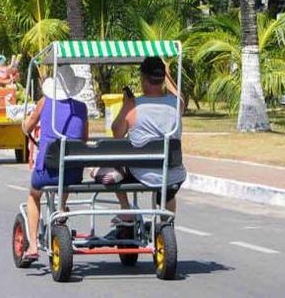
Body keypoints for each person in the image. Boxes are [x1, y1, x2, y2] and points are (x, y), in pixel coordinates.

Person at [101, 56, 186, 221]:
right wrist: (167, 75)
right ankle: (166, 223)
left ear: (143, 78)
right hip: (173, 172)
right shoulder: (176, 104)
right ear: (163, 79)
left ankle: (125, 209)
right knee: (167, 191)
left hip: (142, 172)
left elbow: (117, 133)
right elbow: (179, 94)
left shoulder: (134, 105)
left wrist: (126, 103)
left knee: (113, 167)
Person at [20, 65, 88, 262]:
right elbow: (83, 139)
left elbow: (28, 126)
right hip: (73, 172)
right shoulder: (81, 108)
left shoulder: (44, 103)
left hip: (47, 170)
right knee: (67, 168)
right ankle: (61, 207)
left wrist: (23, 125)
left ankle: (33, 245)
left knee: (34, 195)